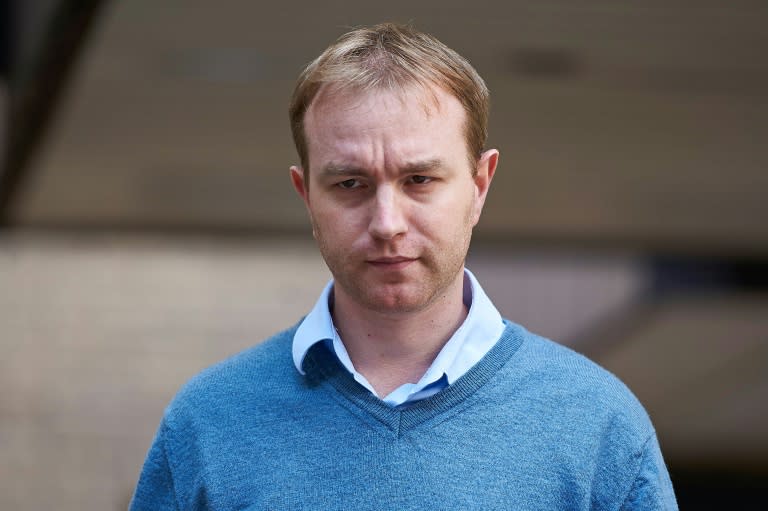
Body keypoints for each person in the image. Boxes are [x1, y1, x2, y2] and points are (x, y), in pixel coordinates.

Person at [130, 23, 677, 510]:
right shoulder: (209, 422)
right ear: (306, 195)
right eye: (350, 184)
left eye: (419, 180)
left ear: (480, 185)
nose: (387, 222)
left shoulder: (596, 423)